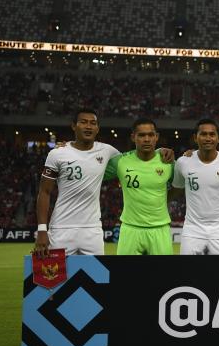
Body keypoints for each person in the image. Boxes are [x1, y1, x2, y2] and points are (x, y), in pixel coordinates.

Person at [34, 109, 120, 256]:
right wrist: (42, 230)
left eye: (93, 123)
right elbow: (44, 192)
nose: (88, 126)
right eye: (83, 122)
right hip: (61, 228)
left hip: (92, 230)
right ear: (74, 126)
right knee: (56, 277)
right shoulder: (57, 153)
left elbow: (135, 159)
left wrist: (159, 151)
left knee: (97, 277)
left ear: (97, 128)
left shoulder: (107, 151)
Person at [170, 119, 219, 255]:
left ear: (218, 138)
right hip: (192, 230)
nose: (208, 138)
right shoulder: (183, 162)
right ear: (195, 138)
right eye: (203, 134)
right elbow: (177, 189)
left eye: (212, 134)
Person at [104, 118, 175, 255]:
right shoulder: (120, 162)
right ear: (133, 137)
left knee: (164, 275)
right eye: (142, 135)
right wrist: (70, 148)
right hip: (130, 229)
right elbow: (91, 170)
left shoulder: (168, 162)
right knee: (126, 275)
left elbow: (181, 183)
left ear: (156, 137)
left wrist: (189, 153)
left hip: (160, 229)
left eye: (150, 135)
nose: (146, 139)